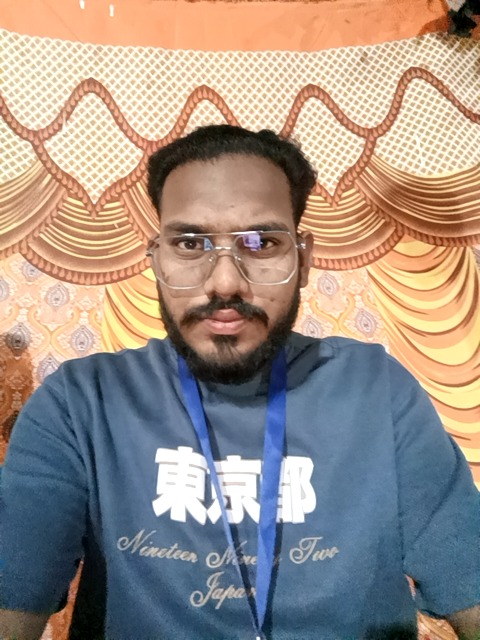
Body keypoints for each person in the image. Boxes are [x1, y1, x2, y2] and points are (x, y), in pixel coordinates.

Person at [0, 125, 479, 640]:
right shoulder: (81, 403)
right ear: (156, 259)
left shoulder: (376, 390)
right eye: (190, 243)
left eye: (261, 242)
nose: (225, 282)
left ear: (304, 260)